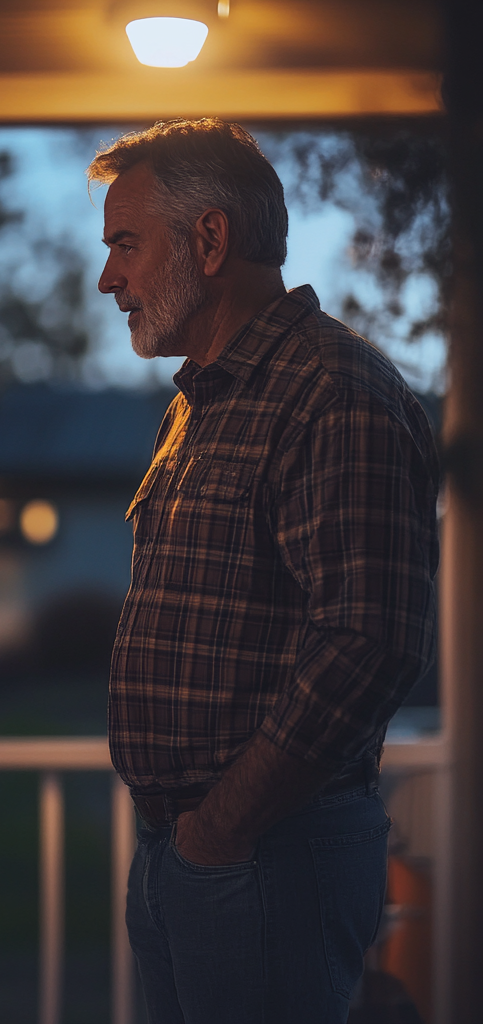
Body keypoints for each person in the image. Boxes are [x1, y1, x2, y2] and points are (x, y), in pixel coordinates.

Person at [89, 120, 438, 1023]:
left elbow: (369, 640)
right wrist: (189, 845)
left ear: (210, 240)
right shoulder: (200, 407)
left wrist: (219, 831)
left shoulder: (333, 390)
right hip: (197, 857)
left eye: (126, 244)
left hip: (265, 857)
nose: (108, 279)